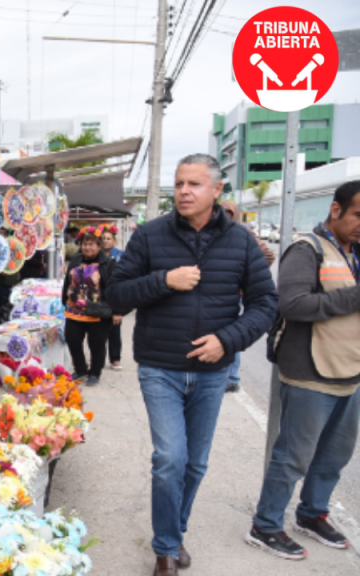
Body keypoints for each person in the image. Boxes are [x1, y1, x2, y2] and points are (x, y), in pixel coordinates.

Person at [106, 153, 278, 576]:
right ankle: (165, 550)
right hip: (160, 367)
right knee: (170, 458)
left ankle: (174, 532)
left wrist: (227, 340)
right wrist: (164, 280)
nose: (184, 191)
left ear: (217, 191)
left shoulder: (240, 241)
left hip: (212, 372)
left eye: (195, 184)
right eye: (179, 183)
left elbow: (264, 304)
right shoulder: (149, 236)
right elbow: (116, 294)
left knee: (195, 463)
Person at [246, 181, 360, 560]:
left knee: (335, 454)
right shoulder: (307, 249)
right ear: (335, 210)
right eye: (358, 214)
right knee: (294, 454)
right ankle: (265, 525)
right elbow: (293, 305)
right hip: (311, 370)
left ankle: (312, 514)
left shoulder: (356, 253)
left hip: (350, 370)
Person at [219, 199, 276, 393]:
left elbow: (268, 255)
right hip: (224, 293)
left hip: (240, 293)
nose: (225, 215)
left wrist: (248, 274)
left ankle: (232, 377)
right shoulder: (216, 232)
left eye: (229, 212)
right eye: (222, 211)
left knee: (233, 333)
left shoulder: (243, 234)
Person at [62, 226, 120, 386]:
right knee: (72, 339)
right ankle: (81, 369)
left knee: (96, 344)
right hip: (74, 309)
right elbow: (67, 280)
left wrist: (116, 311)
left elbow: (114, 287)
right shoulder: (76, 259)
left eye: (91, 244)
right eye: (85, 244)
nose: (87, 247)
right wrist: (64, 300)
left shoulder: (108, 263)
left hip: (97, 311)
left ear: (99, 246)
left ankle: (95, 372)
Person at [101, 225, 124, 371]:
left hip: (115, 296)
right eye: (103, 238)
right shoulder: (97, 255)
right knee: (98, 330)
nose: (105, 241)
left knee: (115, 328)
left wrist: (119, 309)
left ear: (114, 240)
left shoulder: (121, 255)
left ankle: (115, 358)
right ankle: (99, 358)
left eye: (108, 238)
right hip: (100, 297)